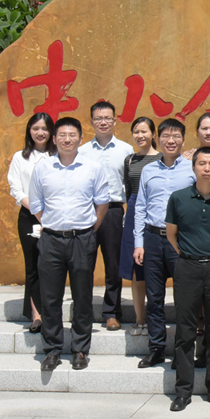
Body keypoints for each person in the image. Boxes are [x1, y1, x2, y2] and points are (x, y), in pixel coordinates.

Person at [28, 117, 111, 372]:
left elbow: (102, 203)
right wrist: (53, 225)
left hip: (82, 239)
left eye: (72, 135)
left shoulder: (93, 167)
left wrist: (88, 231)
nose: (67, 139)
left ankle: (80, 350)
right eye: (62, 135)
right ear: (54, 139)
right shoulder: (42, 168)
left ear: (80, 139)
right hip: (51, 240)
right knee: (50, 298)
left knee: (83, 297)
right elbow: (36, 204)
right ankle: (52, 350)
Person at [165, 147, 210, 412]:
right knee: (185, 331)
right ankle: (183, 390)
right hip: (187, 268)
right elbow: (171, 234)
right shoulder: (178, 198)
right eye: (202, 163)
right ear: (194, 167)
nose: (207, 168)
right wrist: (188, 254)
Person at [133, 118, 195, 368]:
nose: (171, 140)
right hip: (152, 238)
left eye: (176, 136)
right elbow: (140, 207)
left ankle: (182, 351)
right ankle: (156, 348)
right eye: (166, 136)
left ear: (183, 140)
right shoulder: (148, 170)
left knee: (184, 298)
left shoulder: (191, 169)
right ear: (157, 139)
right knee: (154, 297)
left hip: (180, 241)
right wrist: (139, 242)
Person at [78, 101, 134, 331]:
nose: (103, 122)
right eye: (98, 118)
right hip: (86, 211)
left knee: (113, 264)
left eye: (107, 118)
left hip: (112, 211)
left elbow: (130, 184)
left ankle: (111, 312)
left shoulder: (126, 150)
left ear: (115, 120)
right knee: (83, 264)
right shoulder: (82, 151)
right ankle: (82, 312)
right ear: (91, 121)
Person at [6, 112, 56, 333]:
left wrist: (47, 215)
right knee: (33, 265)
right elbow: (16, 189)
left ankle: (52, 312)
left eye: (45, 128)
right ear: (29, 131)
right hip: (29, 217)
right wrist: (37, 212)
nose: (40, 133)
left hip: (56, 217)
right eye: (36, 128)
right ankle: (36, 314)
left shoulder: (58, 156)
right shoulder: (20, 157)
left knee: (52, 266)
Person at [120, 117, 161, 337]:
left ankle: (155, 318)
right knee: (137, 270)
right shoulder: (129, 160)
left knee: (155, 269)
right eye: (136, 131)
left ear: (153, 134)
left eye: (144, 131)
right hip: (135, 212)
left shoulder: (163, 158)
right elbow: (129, 191)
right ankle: (139, 320)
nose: (140, 135)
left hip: (156, 214)